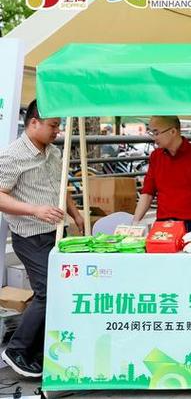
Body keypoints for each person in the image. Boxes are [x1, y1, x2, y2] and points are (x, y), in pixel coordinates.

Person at [0, 100, 85, 377]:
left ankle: (38, 350)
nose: (56, 132)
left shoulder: (52, 152)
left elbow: (61, 185)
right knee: (48, 291)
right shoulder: (13, 156)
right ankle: (17, 350)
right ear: (33, 123)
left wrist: (76, 214)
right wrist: (35, 209)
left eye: (58, 126)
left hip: (56, 232)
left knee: (60, 290)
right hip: (30, 235)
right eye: (52, 126)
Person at [133, 116, 191, 232]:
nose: (154, 137)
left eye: (156, 132)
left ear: (173, 131)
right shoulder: (156, 156)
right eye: (151, 132)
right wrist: (135, 222)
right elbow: (147, 192)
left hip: (190, 223)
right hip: (162, 223)